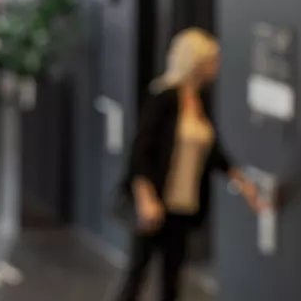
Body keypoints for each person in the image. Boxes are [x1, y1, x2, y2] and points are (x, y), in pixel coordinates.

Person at [113, 28, 264, 301]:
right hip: (156, 200)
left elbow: (212, 150)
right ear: (196, 62)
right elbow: (140, 152)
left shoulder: (198, 101)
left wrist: (242, 182)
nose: (216, 68)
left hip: (183, 203)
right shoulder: (164, 97)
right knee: (137, 272)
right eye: (212, 61)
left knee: (172, 277)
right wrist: (146, 197)